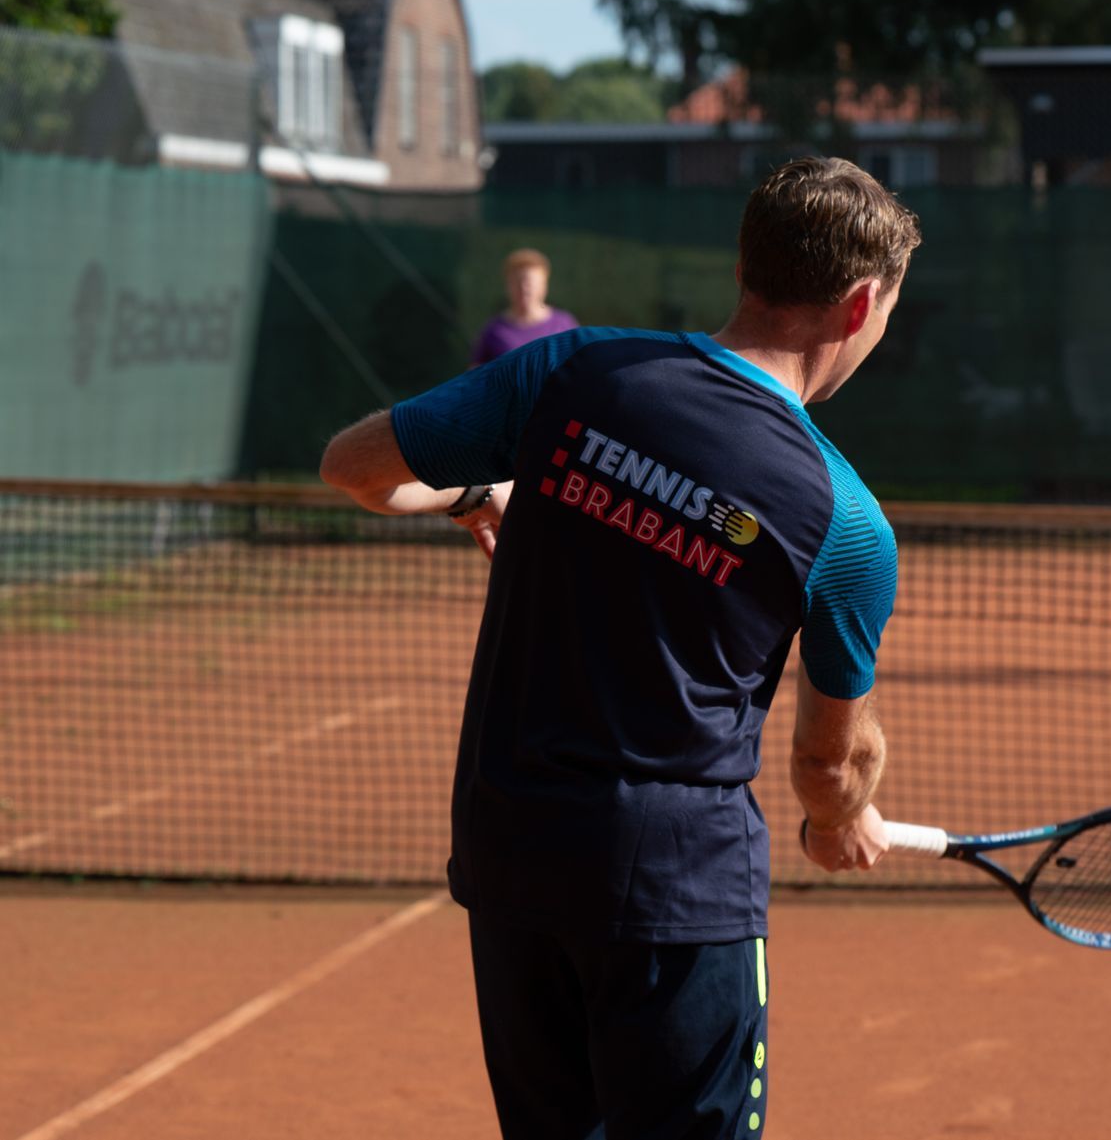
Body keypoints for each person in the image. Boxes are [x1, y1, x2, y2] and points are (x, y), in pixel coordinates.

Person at [319, 157, 919, 1139]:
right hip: (677, 895)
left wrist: (481, 492)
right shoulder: (846, 523)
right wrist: (839, 816)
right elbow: (827, 760)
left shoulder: (573, 370)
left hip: (511, 856)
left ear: (747, 264)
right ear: (860, 306)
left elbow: (355, 469)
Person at [471, 247, 579, 365]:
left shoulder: (564, 324)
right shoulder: (493, 330)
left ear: (544, 284)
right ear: (508, 285)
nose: (524, 288)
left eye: (530, 282)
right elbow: (475, 376)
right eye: (517, 282)